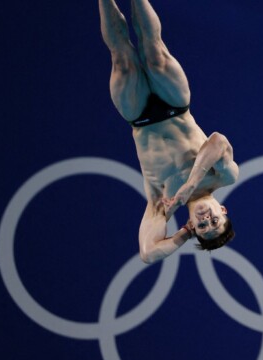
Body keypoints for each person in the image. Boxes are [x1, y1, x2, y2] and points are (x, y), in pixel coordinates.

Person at [99, 0, 239, 263]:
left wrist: (183, 235)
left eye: (203, 228)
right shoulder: (225, 176)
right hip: (175, 105)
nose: (207, 221)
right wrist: (190, 184)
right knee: (155, 52)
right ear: (222, 209)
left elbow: (148, 254)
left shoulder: (161, 208)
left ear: (192, 225)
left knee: (121, 58)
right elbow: (218, 141)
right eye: (216, 221)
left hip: (139, 117)